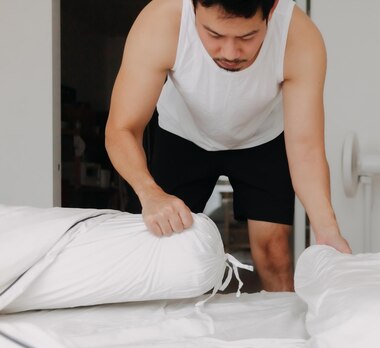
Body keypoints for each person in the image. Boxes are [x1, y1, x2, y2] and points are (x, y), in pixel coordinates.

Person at [105, 0, 351, 292]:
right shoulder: (161, 22)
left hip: (261, 138)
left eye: (247, 37)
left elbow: (307, 150)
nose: (231, 53)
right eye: (214, 35)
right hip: (183, 136)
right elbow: (121, 129)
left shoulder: (299, 36)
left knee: (275, 254)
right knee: (157, 252)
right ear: (194, 8)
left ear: (271, 11)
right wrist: (150, 194)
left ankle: (281, 337)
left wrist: (328, 229)